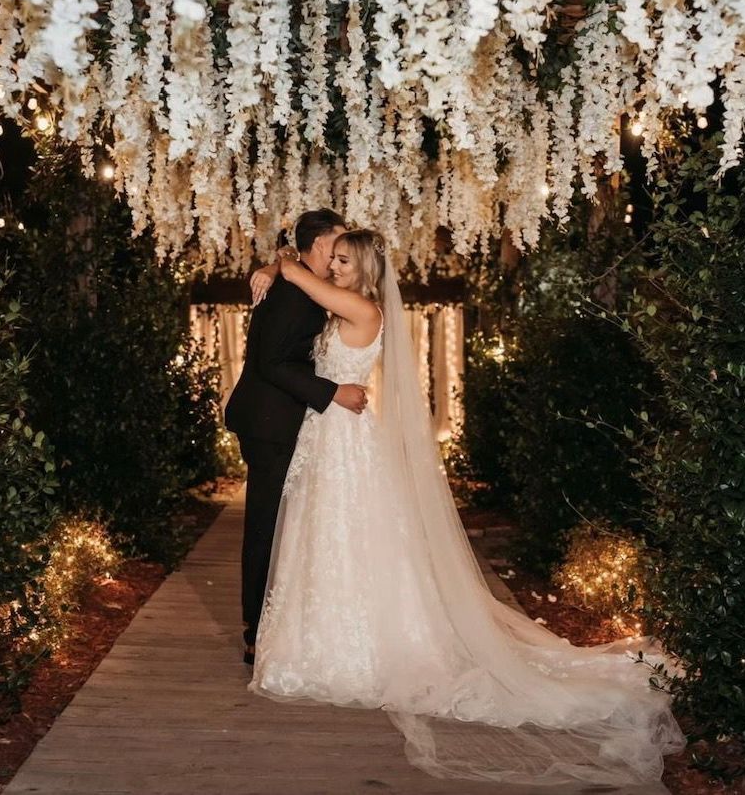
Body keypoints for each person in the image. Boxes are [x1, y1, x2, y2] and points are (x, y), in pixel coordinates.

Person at [244, 228, 685, 790]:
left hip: (345, 440)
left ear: (367, 271)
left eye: (343, 261)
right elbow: (302, 277)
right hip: (328, 435)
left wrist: (278, 262)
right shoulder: (342, 302)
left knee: (348, 535)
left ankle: (358, 648)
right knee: (326, 538)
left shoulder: (361, 306)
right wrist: (278, 261)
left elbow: (297, 272)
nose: (332, 268)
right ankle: (323, 637)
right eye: (332, 259)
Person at [224, 209, 369, 668]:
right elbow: (272, 363)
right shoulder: (293, 295)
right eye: (339, 244)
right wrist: (333, 393)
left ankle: (276, 621)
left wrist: (278, 261)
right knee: (265, 526)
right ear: (321, 244)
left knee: (284, 524)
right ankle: (255, 633)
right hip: (270, 423)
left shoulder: (299, 284)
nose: (342, 254)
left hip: (281, 421)